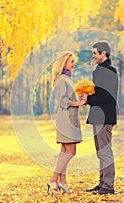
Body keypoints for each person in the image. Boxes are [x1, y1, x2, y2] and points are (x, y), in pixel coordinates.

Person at [81, 41, 118, 195]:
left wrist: (87, 99)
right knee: (100, 151)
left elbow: (105, 95)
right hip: (98, 116)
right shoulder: (101, 70)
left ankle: (108, 186)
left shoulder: (108, 70)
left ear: (104, 54)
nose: (93, 56)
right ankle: (103, 183)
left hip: (104, 117)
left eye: (95, 53)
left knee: (105, 151)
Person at [47, 52, 86, 194]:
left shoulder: (67, 79)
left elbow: (69, 99)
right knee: (71, 151)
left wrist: (82, 98)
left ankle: (62, 182)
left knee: (65, 151)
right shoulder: (62, 79)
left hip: (70, 118)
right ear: (63, 64)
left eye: (73, 61)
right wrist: (79, 102)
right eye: (71, 61)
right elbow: (63, 102)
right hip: (66, 119)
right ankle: (53, 179)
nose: (73, 64)